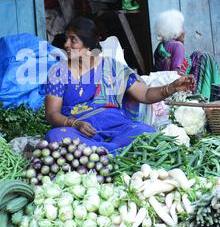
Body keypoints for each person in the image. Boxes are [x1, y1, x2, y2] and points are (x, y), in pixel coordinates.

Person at [45, 16, 195, 153]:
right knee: (56, 135)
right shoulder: (59, 72)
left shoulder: (112, 68)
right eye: (66, 39)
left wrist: (171, 87)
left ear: (89, 43)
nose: (66, 44)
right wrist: (75, 123)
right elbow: (52, 114)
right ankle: (114, 151)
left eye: (73, 40)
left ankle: (102, 151)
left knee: (145, 131)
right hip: (79, 131)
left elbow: (145, 94)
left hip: (116, 126)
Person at [154, 9, 220, 100]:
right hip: (179, 90)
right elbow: (175, 74)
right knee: (205, 57)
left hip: (164, 89)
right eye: (181, 28)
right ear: (175, 31)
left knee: (197, 55)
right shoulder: (178, 46)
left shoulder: (160, 47)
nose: (184, 32)